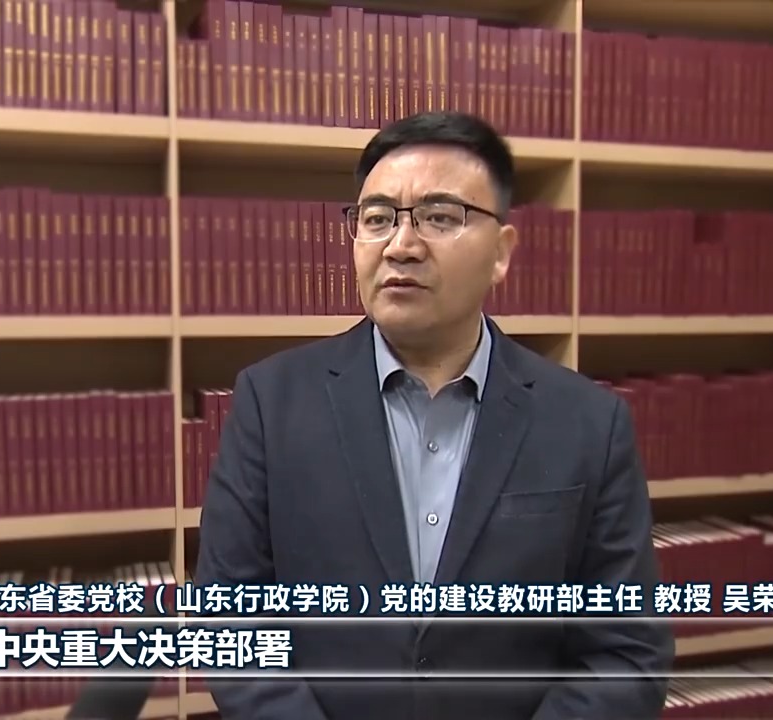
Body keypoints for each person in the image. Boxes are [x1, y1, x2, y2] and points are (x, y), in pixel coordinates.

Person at [194, 111, 674, 720]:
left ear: (501, 252)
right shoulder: (270, 402)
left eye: (440, 217)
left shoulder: (588, 422)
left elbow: (627, 653)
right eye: (377, 219)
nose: (401, 246)